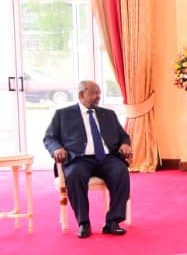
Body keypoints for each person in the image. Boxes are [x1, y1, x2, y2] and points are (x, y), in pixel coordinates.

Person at [43, 80, 134, 239]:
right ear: (81, 94)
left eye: (99, 93)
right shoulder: (63, 115)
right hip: (79, 159)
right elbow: (49, 138)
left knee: (120, 171)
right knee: (75, 174)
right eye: (93, 93)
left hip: (107, 157)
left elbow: (123, 136)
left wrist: (125, 144)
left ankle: (113, 222)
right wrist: (57, 148)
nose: (97, 97)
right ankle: (83, 222)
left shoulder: (108, 114)